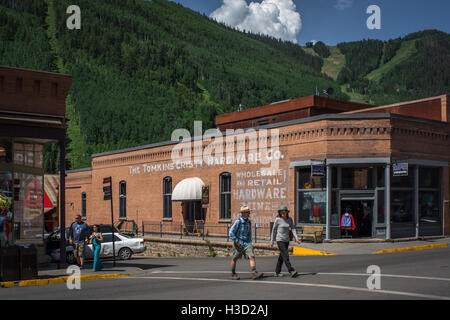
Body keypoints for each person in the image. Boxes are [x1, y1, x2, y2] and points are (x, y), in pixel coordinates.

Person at [229, 206, 263, 280]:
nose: (249, 213)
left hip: (247, 243)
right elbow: (231, 233)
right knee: (235, 258)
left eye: (248, 212)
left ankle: (254, 273)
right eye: (247, 212)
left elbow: (249, 233)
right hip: (238, 242)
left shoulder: (249, 222)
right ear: (243, 213)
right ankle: (233, 273)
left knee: (252, 256)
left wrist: (250, 242)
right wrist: (236, 241)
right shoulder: (238, 222)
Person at [270, 205, 300, 277]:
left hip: (286, 240)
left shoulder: (290, 219)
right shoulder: (277, 220)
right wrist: (272, 241)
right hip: (279, 240)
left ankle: (277, 272)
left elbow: (293, 228)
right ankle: (291, 270)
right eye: (281, 212)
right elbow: (274, 230)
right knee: (285, 255)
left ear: (287, 212)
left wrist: (297, 238)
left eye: (284, 212)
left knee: (282, 256)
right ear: (280, 213)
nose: (283, 213)